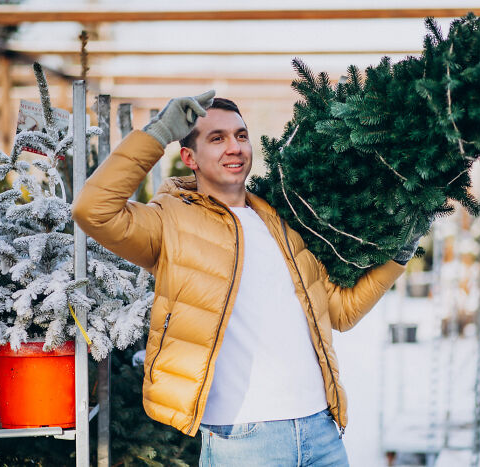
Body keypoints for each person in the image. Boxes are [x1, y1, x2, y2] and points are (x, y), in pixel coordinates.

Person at [72, 91, 423, 466]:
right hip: (243, 441)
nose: (234, 147)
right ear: (189, 157)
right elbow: (93, 211)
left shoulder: (282, 223)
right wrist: (159, 133)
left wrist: (399, 256)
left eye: (241, 136)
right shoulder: (169, 221)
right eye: (217, 138)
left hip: (321, 431)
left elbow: (340, 311)